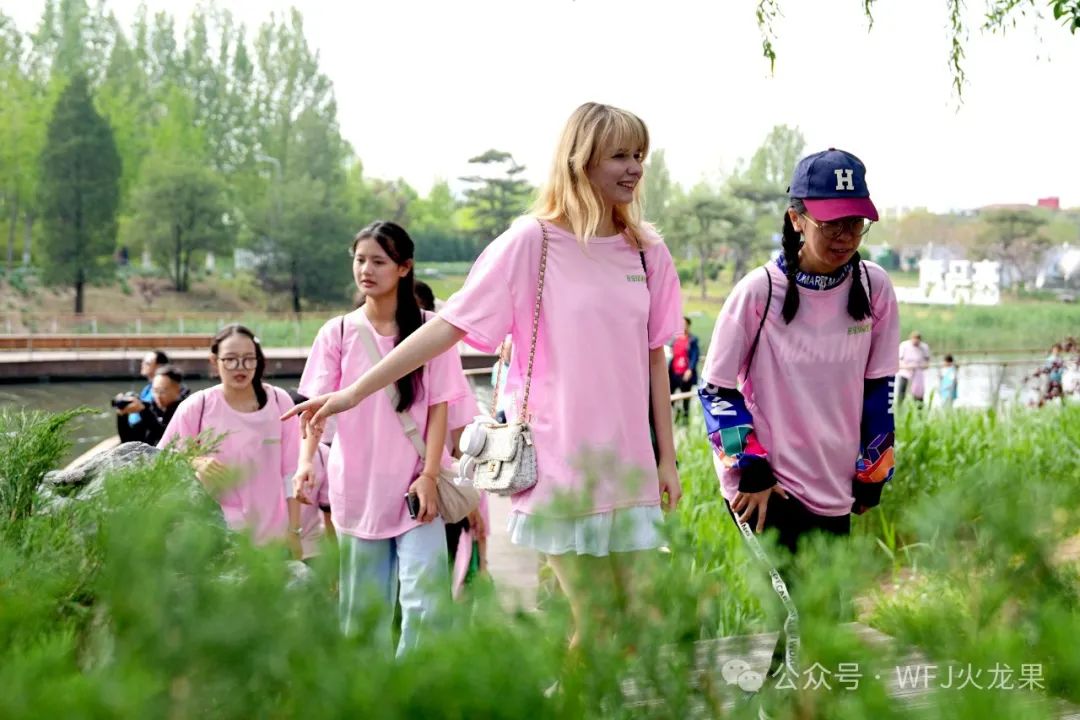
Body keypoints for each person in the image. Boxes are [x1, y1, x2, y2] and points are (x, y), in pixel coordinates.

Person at [285, 102, 684, 648]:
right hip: (562, 465)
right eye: (619, 155)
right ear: (580, 160)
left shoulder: (646, 252)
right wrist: (353, 392)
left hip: (629, 466)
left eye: (639, 155)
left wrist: (667, 459)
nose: (634, 168)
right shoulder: (532, 242)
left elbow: (654, 357)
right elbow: (447, 327)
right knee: (597, 624)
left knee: (636, 625)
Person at [698, 148, 900, 691]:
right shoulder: (759, 291)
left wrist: (873, 472)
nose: (845, 236)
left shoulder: (875, 287)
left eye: (855, 223)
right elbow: (715, 389)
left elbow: (879, 388)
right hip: (768, 487)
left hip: (835, 483)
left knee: (823, 614)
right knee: (801, 610)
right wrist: (752, 470)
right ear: (796, 218)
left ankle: (783, 703)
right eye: (831, 223)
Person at [293, 221, 469, 655]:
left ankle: (417, 686)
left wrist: (430, 474)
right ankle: (369, 689)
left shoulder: (431, 330)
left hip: (415, 489)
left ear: (404, 267)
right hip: (358, 487)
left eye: (378, 261)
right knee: (363, 609)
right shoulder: (337, 333)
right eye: (359, 260)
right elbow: (314, 410)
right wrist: (305, 462)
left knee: (427, 606)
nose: (366, 270)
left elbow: (440, 407)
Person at [157, 326, 304, 558]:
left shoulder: (279, 401)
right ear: (214, 361)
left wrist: (294, 530)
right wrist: (196, 461)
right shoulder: (198, 406)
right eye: (231, 359)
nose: (240, 367)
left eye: (248, 359)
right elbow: (162, 460)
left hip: (272, 536)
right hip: (214, 536)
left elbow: (291, 472)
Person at [414, 276, 489, 584]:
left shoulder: (443, 370)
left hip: (439, 495)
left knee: (435, 581)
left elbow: (463, 450)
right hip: (390, 493)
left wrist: (472, 506)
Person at [114, 349, 170, 443]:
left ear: (160, 366)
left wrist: (143, 409)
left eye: (147, 362)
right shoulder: (147, 390)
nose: (142, 364)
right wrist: (122, 413)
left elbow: (160, 430)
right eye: (142, 361)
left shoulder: (165, 394)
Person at [136, 364, 191, 447]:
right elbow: (129, 438)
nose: (158, 396)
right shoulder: (152, 407)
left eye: (162, 391)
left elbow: (167, 436)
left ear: (177, 389)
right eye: (155, 390)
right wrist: (122, 416)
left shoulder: (186, 410)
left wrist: (144, 412)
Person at [668, 316, 700, 422]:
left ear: (688, 326)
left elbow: (695, 356)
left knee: (685, 398)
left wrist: (690, 369)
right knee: (670, 397)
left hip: (685, 373)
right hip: (673, 373)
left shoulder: (692, 340)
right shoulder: (675, 340)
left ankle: (685, 420)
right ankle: (675, 416)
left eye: (684, 324)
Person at [897, 330, 930, 406]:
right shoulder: (904, 345)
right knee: (902, 392)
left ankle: (919, 408)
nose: (916, 341)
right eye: (914, 339)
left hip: (918, 373)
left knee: (918, 393)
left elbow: (927, 360)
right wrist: (906, 366)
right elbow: (899, 359)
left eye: (917, 340)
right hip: (905, 372)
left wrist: (924, 365)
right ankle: (900, 407)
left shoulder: (924, 347)